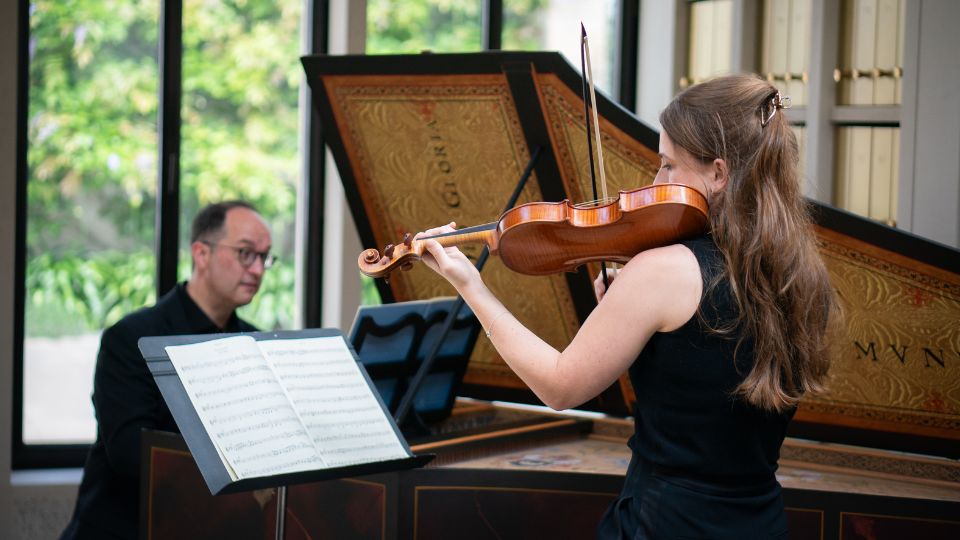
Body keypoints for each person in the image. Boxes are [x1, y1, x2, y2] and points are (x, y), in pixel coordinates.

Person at [417, 74, 837, 539]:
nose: (655, 182)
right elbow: (703, 366)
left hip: (665, 525)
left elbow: (560, 388)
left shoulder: (662, 271)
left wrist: (472, 287)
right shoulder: (801, 277)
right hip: (759, 523)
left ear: (719, 173)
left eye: (668, 165)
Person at [61, 201, 276, 540]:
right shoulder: (130, 337)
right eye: (246, 253)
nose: (258, 270)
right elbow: (131, 452)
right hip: (126, 527)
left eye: (265, 257)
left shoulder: (255, 342)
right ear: (201, 253)